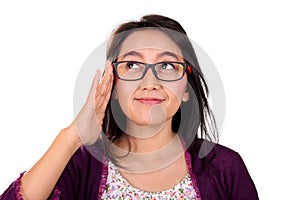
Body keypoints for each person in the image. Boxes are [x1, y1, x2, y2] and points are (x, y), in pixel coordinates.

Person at [0, 14, 259, 200]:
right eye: (133, 65)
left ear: (187, 89)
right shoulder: (81, 164)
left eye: (166, 66)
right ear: (113, 84)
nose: (150, 81)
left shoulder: (224, 167)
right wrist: (71, 137)